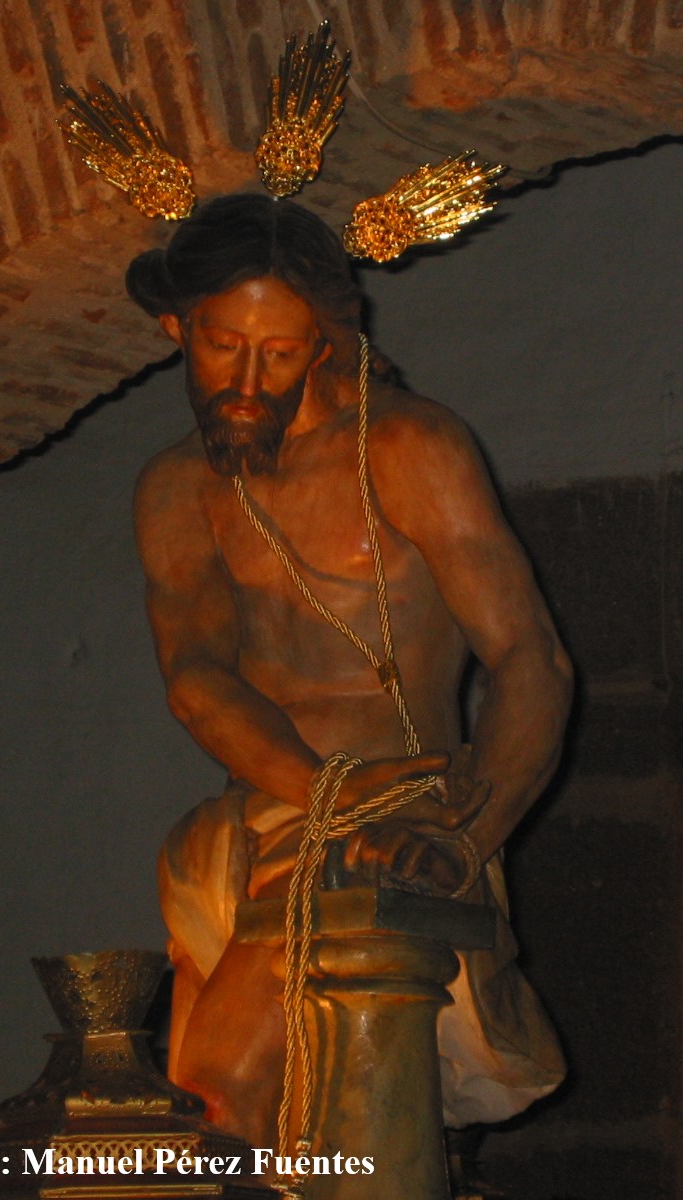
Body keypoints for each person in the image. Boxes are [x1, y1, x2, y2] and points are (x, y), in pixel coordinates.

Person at [129, 193, 572, 1169]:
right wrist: (320, 789)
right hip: (256, 822)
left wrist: (466, 834)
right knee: (226, 1115)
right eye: (221, 346)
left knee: (226, 1097)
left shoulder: (407, 448)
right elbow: (195, 678)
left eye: (279, 352)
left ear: (327, 340)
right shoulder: (178, 487)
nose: (246, 382)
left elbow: (528, 660)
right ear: (176, 328)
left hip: (400, 820)